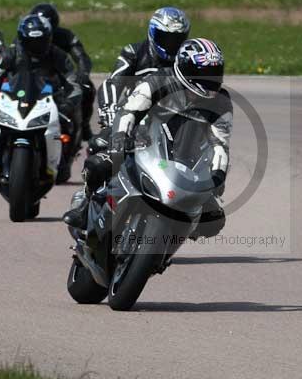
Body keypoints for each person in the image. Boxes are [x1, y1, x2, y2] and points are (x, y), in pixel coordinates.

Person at [64, 38, 231, 238]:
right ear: (185, 69)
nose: (210, 80)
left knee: (214, 221)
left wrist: (218, 175)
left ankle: (170, 238)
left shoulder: (221, 102)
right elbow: (130, 111)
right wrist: (120, 138)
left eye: (214, 73)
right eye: (203, 74)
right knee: (97, 161)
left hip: (185, 162)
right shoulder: (159, 80)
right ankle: (85, 206)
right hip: (141, 143)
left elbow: (220, 143)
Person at [0, 14, 83, 171]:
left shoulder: (59, 55)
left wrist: (67, 105)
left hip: (51, 98)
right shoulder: (10, 54)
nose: (36, 47)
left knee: (72, 119)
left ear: (48, 38)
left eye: (40, 42)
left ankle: (66, 157)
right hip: (15, 97)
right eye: (31, 43)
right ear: (22, 39)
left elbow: (74, 85)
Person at [95, 7, 190, 130]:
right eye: (165, 38)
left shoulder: (187, 57)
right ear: (152, 32)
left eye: (176, 40)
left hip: (177, 117)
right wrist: (109, 109)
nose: (170, 44)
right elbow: (113, 83)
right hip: (135, 114)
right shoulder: (134, 52)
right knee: (98, 144)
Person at [30, 3, 95, 140]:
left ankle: (84, 126)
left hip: (59, 77)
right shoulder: (23, 37)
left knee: (87, 87)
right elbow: (11, 59)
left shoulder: (66, 36)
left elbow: (82, 57)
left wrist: (82, 76)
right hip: (31, 78)